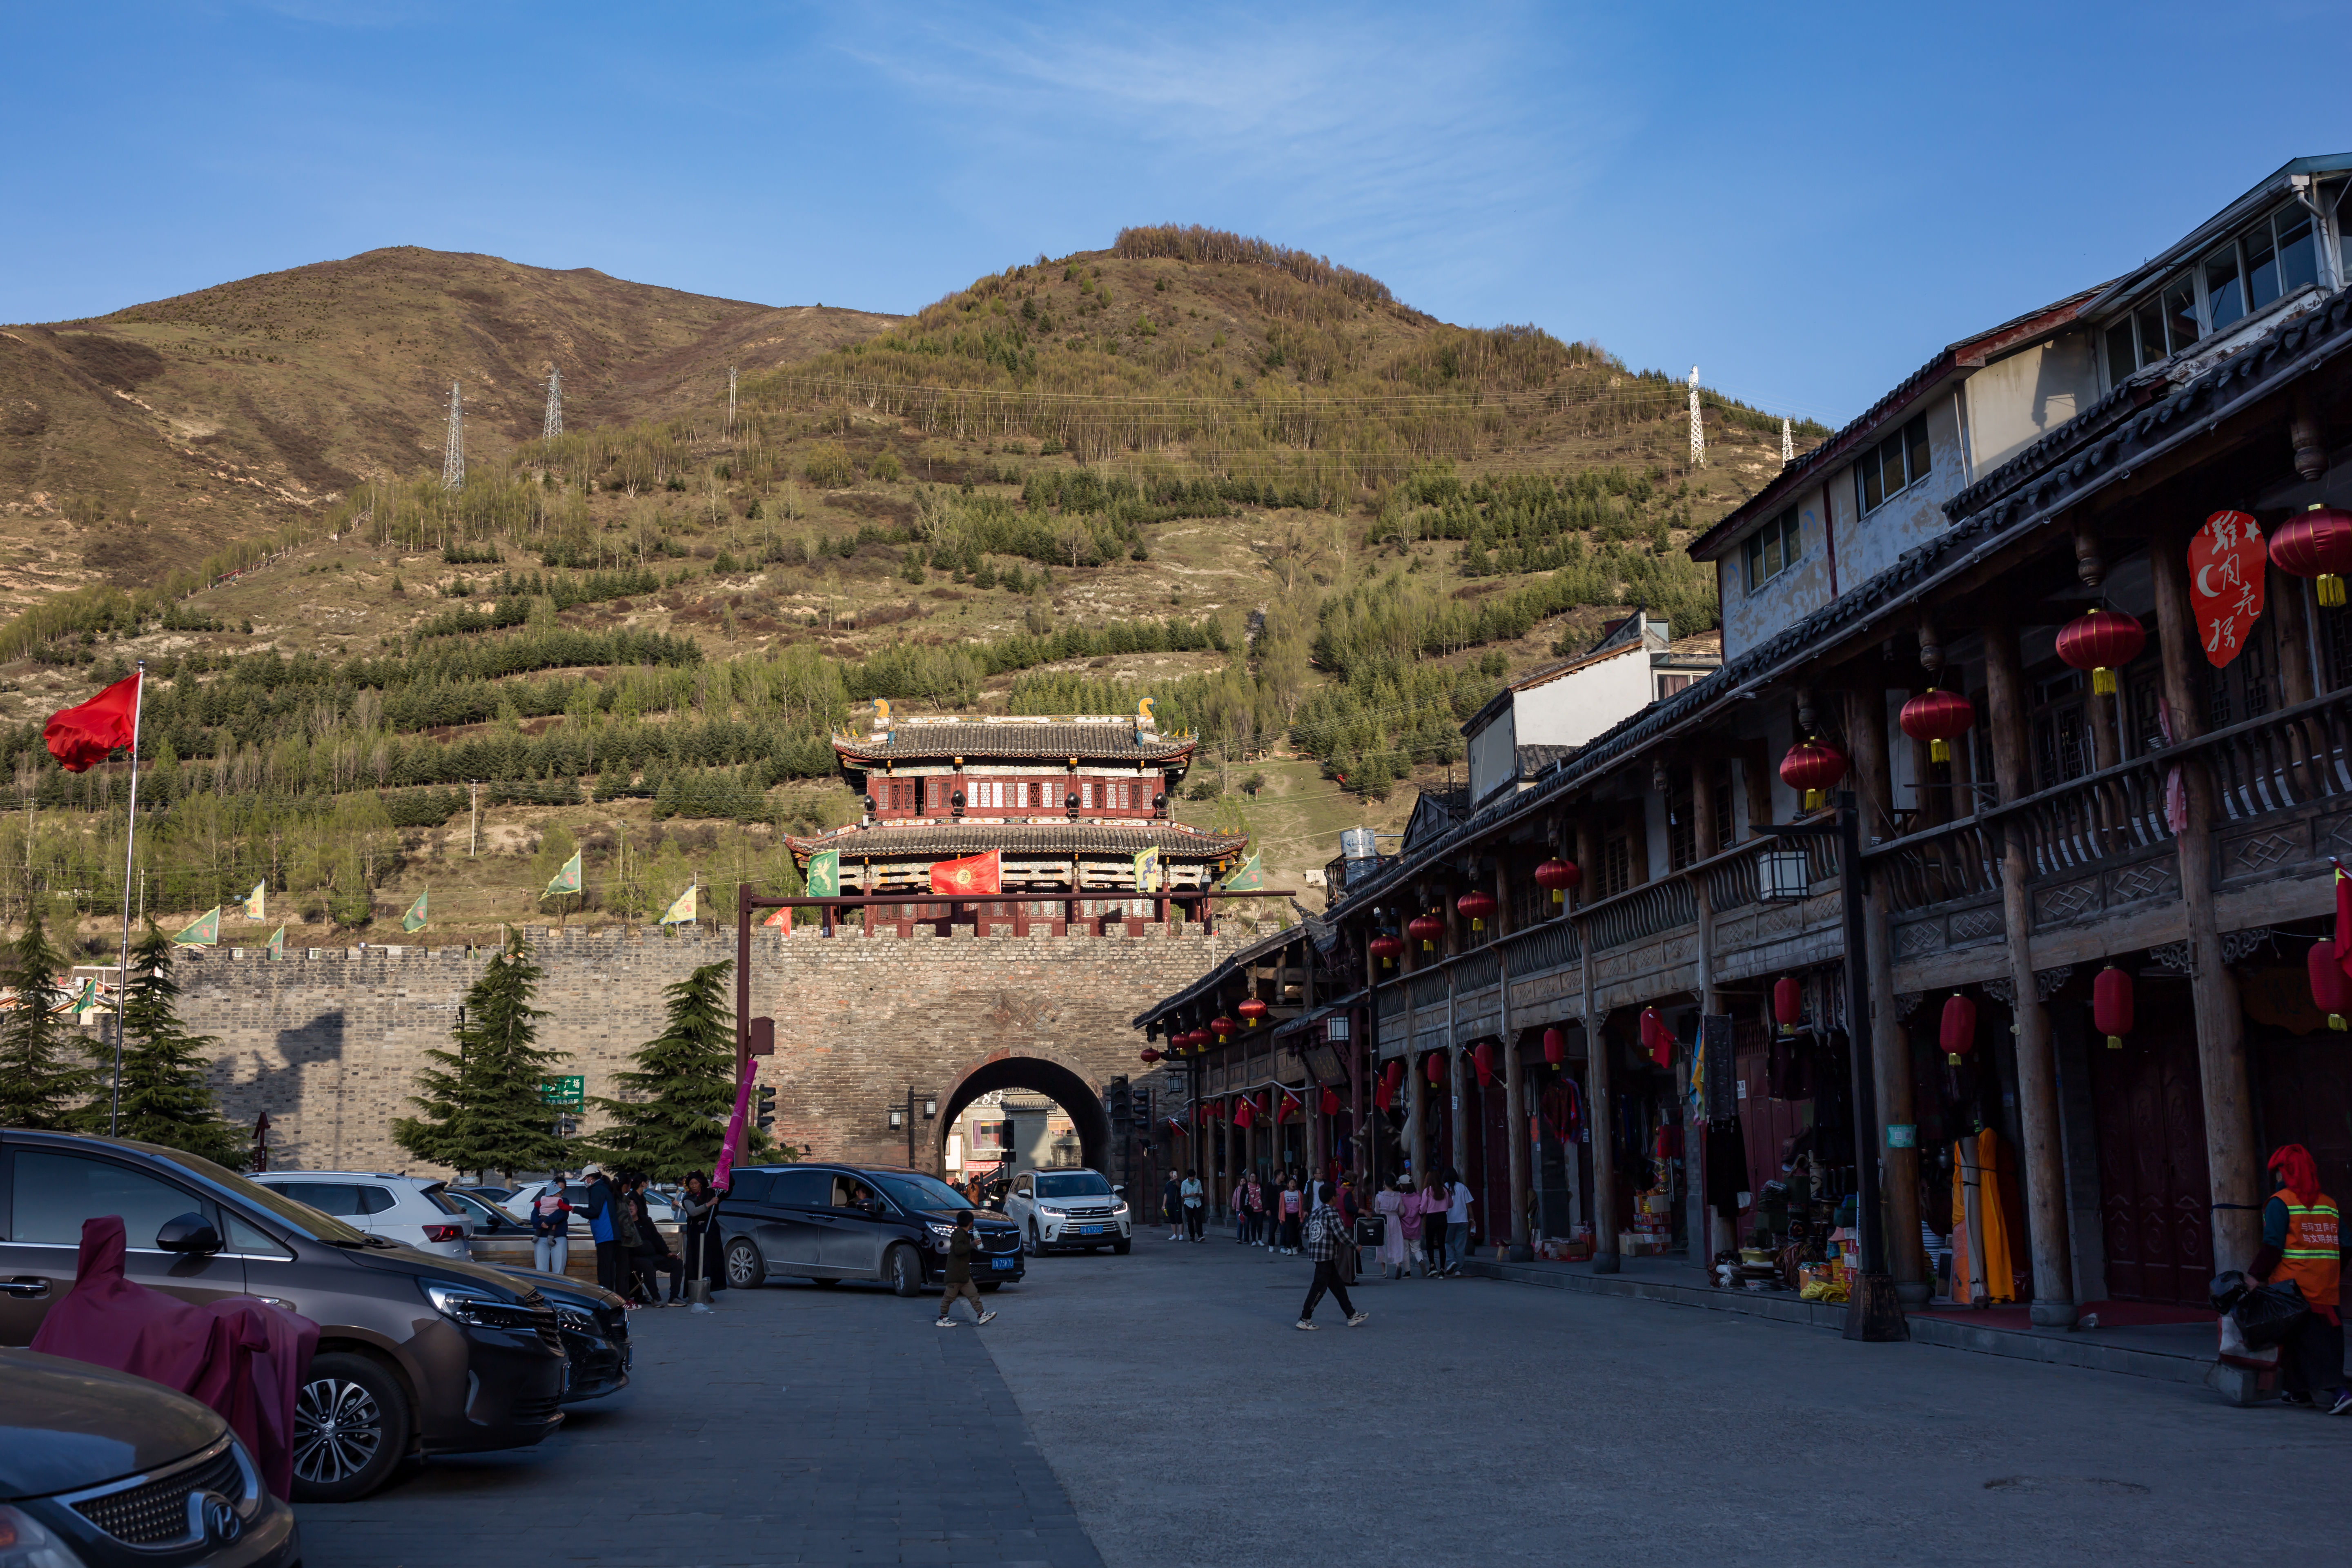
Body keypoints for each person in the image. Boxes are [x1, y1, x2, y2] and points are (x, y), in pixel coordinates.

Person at [2250, 1143, 2345, 1413]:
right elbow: (2347, 1244)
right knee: (2316, 1340)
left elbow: (2272, 1246)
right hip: (2325, 1287)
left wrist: (2255, 1276)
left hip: (2294, 1289)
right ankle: (2300, 1392)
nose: (2277, 1177)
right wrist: (2329, 1269)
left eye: (2279, 1171)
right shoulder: (2329, 1204)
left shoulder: (2281, 1203)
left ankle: (2339, 1393)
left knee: (2310, 1345)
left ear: (2286, 1173)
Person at [1295, 1183, 1368, 1330]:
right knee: (1319, 1288)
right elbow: (1341, 1234)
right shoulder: (1333, 1213)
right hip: (1326, 1255)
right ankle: (1305, 1318)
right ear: (1333, 1198)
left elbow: (1305, 1232)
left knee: (1338, 1287)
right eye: (1336, 1195)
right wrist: (1356, 1246)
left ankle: (1351, 1314)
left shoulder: (1316, 1212)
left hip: (1318, 1254)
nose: (1337, 1197)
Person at [628, 1176, 684, 1305]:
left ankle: (674, 1297)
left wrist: (667, 1253)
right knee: (648, 1266)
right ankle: (656, 1298)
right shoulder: (625, 1224)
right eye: (627, 1206)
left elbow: (657, 1238)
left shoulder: (646, 1221)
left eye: (632, 1205)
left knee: (677, 1262)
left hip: (653, 1255)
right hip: (635, 1258)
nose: (630, 1208)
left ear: (637, 1207)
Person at [936, 1210, 997, 1327]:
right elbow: (958, 1250)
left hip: (963, 1275)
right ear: (971, 1223)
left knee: (973, 1294)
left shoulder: (964, 1235)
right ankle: (943, 1317)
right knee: (949, 1296)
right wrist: (973, 1245)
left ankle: (981, 1314)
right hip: (955, 1274)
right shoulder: (959, 1235)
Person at [575, 1169, 626, 1300]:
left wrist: (576, 1209)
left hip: (606, 1235)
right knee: (608, 1269)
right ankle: (610, 1298)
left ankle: (606, 1300)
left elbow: (594, 1212)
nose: (585, 1182)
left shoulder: (597, 1189)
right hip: (610, 1234)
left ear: (591, 1177)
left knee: (604, 1271)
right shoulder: (603, 1188)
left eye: (585, 1179)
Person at [677, 1171, 722, 1311]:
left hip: (710, 1230)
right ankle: (695, 1292)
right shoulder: (687, 1198)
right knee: (697, 1261)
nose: (694, 1186)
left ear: (701, 1183)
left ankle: (708, 1290)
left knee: (710, 1261)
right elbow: (693, 1212)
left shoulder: (710, 1193)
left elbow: (725, 1193)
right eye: (691, 1184)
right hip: (696, 1232)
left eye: (696, 1183)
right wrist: (709, 1204)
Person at [531, 1174, 572, 1276]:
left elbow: (562, 1214)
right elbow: (534, 1217)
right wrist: (541, 1224)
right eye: (559, 1188)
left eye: (563, 1190)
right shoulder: (543, 1200)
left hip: (559, 1238)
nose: (561, 1192)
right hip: (541, 1239)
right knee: (541, 1272)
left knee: (559, 1273)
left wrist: (546, 1223)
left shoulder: (564, 1201)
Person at [1374, 1175, 1411, 1280]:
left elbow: (1377, 1211)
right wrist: (1396, 1216)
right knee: (1396, 1242)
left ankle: (1384, 1271)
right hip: (1395, 1219)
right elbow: (1402, 1212)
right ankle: (1398, 1264)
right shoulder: (1398, 1196)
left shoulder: (1379, 1196)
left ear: (1384, 1183)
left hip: (1383, 1220)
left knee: (1382, 1243)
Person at [1443, 1167, 1474, 1277]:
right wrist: (1472, 1218)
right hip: (1462, 1219)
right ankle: (1459, 1270)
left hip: (1449, 1219)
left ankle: (1451, 1261)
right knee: (1460, 1245)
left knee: (1447, 1242)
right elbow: (1468, 1204)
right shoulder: (1462, 1187)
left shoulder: (1444, 1188)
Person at [1417, 1174, 1448, 1278]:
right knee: (1442, 1244)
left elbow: (1423, 1207)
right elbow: (1451, 1204)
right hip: (1443, 1217)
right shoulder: (1444, 1190)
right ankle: (1442, 1270)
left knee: (1430, 1242)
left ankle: (1432, 1266)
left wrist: (1420, 1211)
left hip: (1431, 1217)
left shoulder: (1428, 1191)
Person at [1277, 1176, 1305, 1254]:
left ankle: (1295, 1247)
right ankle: (1289, 1248)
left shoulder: (1299, 1193)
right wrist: (1281, 1218)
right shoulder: (1284, 1194)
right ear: (1288, 1185)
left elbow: (1301, 1205)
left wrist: (1302, 1216)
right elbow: (1281, 1207)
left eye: (1294, 1183)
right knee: (1289, 1232)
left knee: (1296, 1232)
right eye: (1291, 1183)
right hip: (1288, 1215)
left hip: (1296, 1215)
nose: (1293, 1184)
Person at [1180, 1171, 1205, 1241]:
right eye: (1191, 1177)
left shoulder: (1198, 1182)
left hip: (1197, 1203)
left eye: (1193, 1176)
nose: (1192, 1178)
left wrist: (1197, 1194)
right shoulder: (1184, 1183)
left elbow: (1201, 1192)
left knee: (1199, 1220)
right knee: (1190, 1221)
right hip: (1188, 1203)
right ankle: (1192, 1236)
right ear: (1188, 1176)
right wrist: (1190, 1195)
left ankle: (1201, 1235)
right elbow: (1183, 1194)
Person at [1163, 1172, 1184, 1242]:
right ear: (1169, 1174)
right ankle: (1174, 1234)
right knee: (1172, 1220)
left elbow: (1180, 1186)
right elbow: (1166, 1195)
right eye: (1172, 1173)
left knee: (1179, 1219)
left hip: (1177, 1204)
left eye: (1175, 1173)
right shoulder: (1168, 1184)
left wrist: (1176, 1180)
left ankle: (1181, 1235)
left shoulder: (1179, 1182)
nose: (1173, 1174)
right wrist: (1164, 1204)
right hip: (1169, 1204)